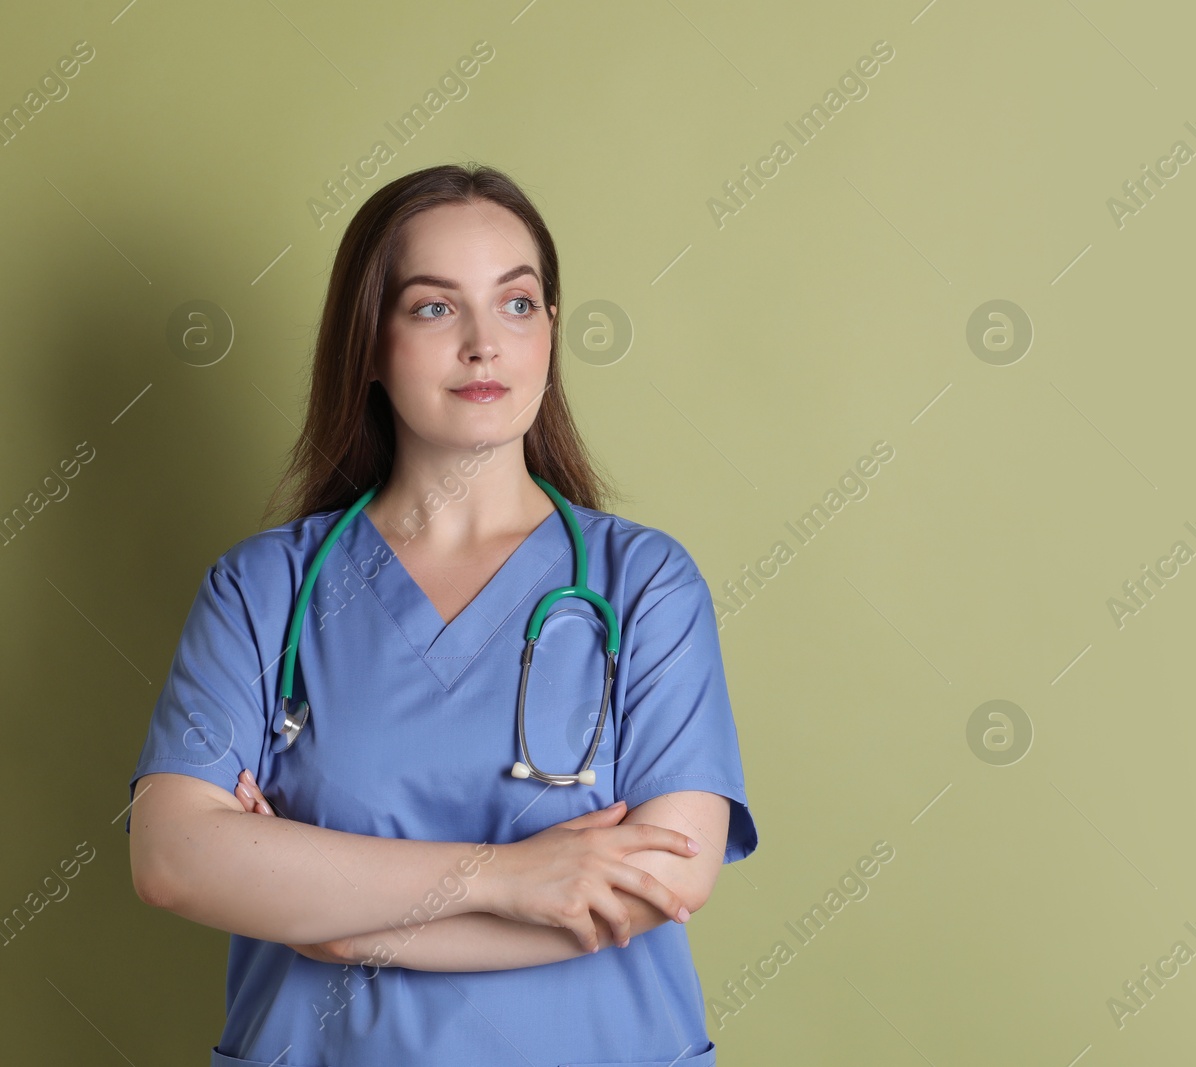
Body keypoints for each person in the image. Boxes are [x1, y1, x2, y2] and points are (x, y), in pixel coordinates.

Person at [125, 163, 757, 1066]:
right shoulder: (264, 591)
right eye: (432, 307)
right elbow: (175, 858)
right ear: (369, 345)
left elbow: (662, 881)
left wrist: (350, 927)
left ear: (549, 334)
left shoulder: (646, 583)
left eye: (517, 303)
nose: (483, 345)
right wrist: (508, 875)